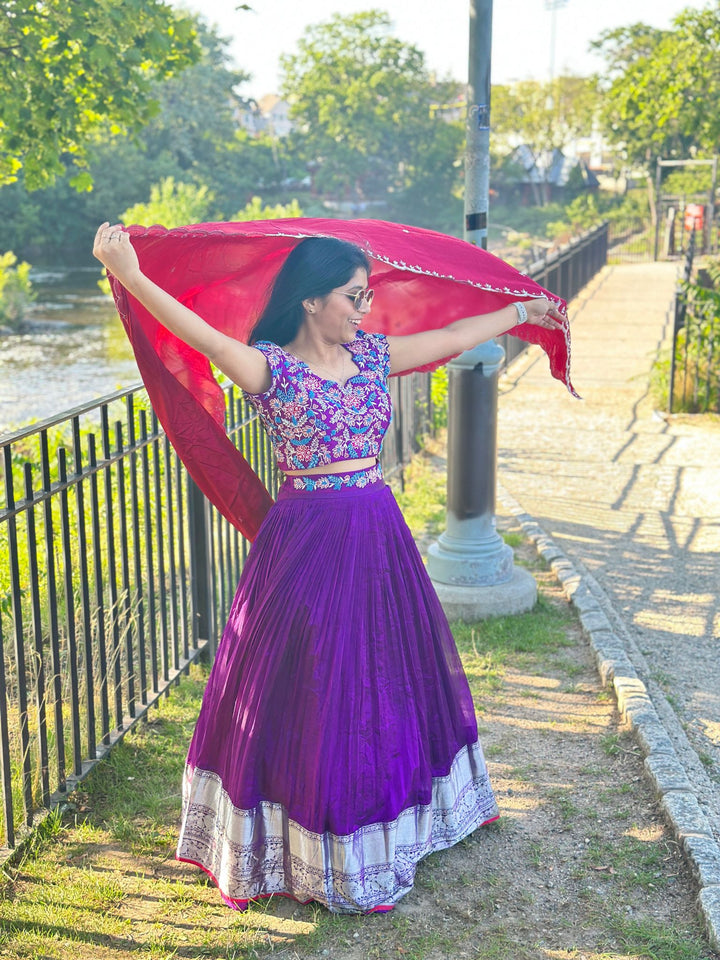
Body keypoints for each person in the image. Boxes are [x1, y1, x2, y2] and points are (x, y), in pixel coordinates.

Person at [93, 220, 564, 915]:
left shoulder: (372, 356)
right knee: (314, 682)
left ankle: (390, 823)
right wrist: (130, 275)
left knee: (384, 675)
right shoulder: (269, 367)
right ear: (312, 300)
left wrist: (521, 312)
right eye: (352, 296)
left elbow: (453, 340)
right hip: (306, 542)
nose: (363, 309)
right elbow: (201, 336)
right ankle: (309, 845)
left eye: (366, 296)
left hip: (376, 534)